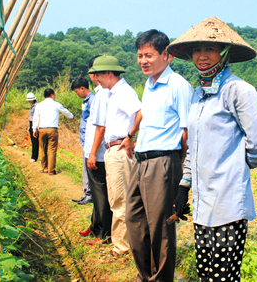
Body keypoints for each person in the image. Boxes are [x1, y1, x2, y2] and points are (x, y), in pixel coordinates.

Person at [167, 17, 257, 282]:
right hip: (203, 204)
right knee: (206, 273)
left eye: (209, 49)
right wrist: (183, 187)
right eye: (197, 50)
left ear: (224, 52)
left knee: (224, 276)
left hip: (228, 203)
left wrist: (233, 167)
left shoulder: (238, 91)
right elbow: (193, 146)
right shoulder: (197, 94)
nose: (202, 56)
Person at [122, 29, 193, 282]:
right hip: (141, 161)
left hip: (164, 162)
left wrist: (181, 169)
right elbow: (144, 114)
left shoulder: (179, 86)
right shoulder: (149, 84)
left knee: (161, 227)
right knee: (134, 220)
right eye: (140, 55)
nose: (143, 61)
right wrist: (131, 134)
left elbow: (186, 133)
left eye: (149, 55)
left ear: (166, 55)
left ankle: (161, 279)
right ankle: (146, 275)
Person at [88, 55, 141, 256]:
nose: (97, 79)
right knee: (116, 199)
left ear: (108, 73)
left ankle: (122, 247)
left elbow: (140, 112)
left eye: (99, 75)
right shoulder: (113, 93)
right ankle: (121, 243)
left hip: (120, 150)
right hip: (114, 150)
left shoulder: (123, 93)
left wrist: (130, 135)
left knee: (121, 200)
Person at [79, 56, 113, 244]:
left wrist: (92, 153)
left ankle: (104, 233)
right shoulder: (100, 94)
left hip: (97, 154)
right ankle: (95, 225)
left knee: (102, 196)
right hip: (93, 151)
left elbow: (101, 127)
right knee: (98, 193)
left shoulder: (102, 95)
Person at [33, 88, 74, 175]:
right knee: (52, 149)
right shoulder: (56, 104)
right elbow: (65, 112)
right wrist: (71, 116)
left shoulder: (39, 105)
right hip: (52, 129)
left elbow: (35, 118)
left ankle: (45, 168)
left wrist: (34, 129)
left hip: (42, 129)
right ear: (52, 95)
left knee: (43, 148)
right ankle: (51, 170)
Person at [71, 78, 94, 205]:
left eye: (76, 91)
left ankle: (89, 193)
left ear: (82, 88)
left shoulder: (92, 101)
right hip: (85, 139)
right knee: (85, 168)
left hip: (89, 140)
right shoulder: (87, 101)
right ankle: (87, 192)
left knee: (87, 168)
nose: (77, 94)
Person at [26, 92, 39, 162]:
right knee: (33, 141)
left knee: (35, 141)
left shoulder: (37, 106)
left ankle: (34, 157)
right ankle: (33, 156)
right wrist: (29, 126)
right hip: (31, 123)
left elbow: (36, 117)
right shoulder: (32, 106)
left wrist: (34, 126)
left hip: (35, 123)